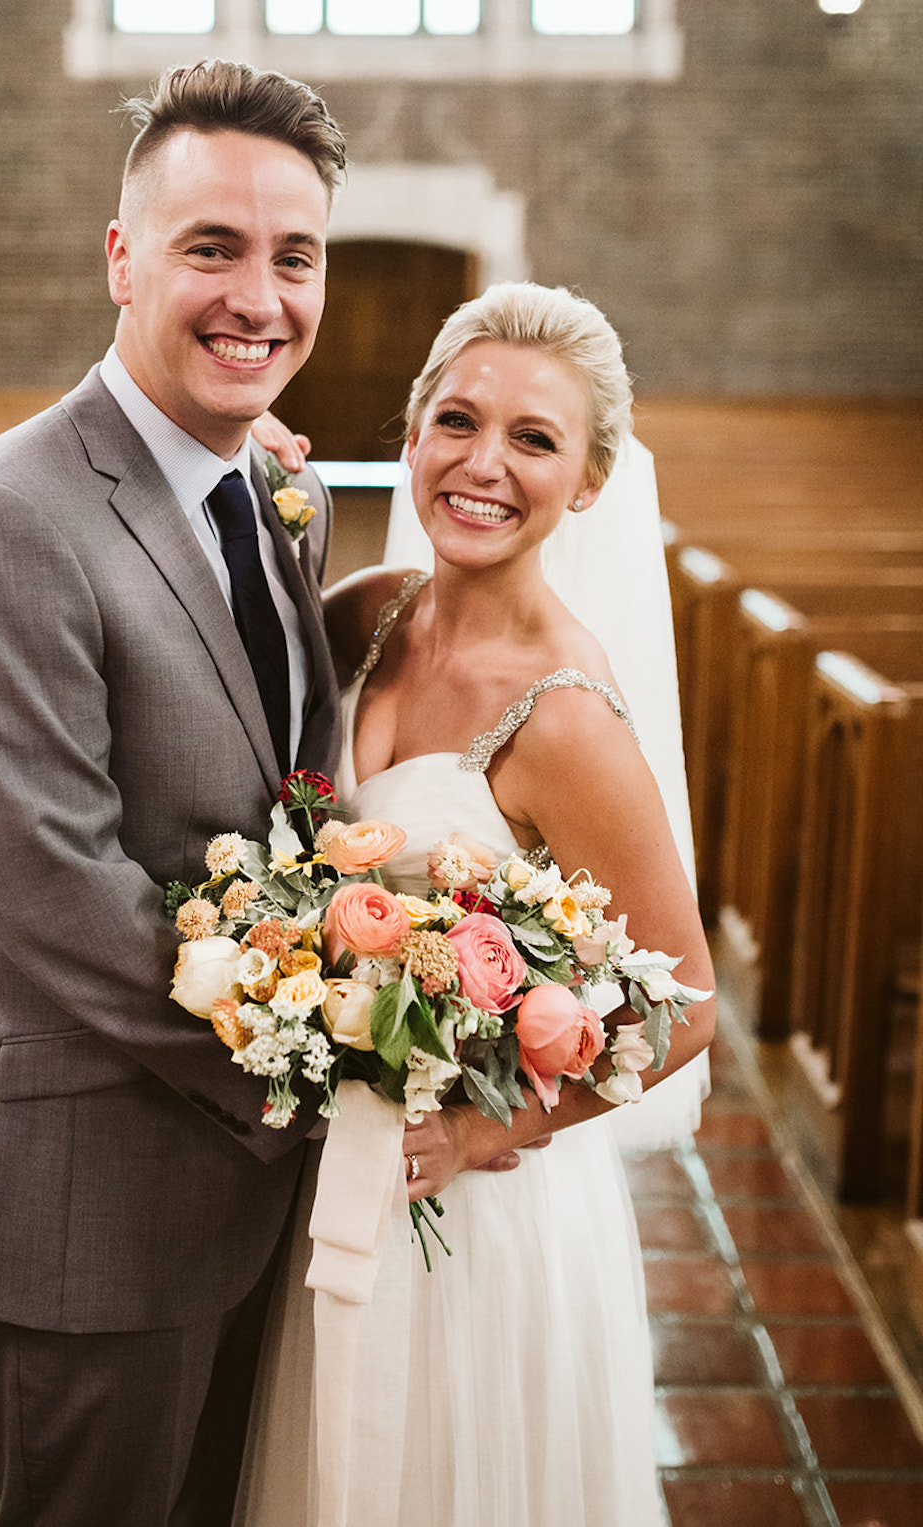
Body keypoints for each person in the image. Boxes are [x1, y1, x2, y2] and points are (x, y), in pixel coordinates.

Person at [0, 60, 347, 1527]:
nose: (258, 297)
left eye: (296, 255)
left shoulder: (278, 486)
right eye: (212, 246)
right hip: (87, 1194)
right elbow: (56, 889)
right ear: (121, 256)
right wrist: (309, 1076)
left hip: (245, 1198)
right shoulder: (2, 517)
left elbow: (288, 771)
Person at [234, 281, 716, 1527]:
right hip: (321, 1162)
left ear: (593, 480)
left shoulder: (567, 716)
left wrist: (483, 1132)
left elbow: (691, 1001)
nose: (482, 463)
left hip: (467, 1207)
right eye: (457, 420)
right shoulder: (360, 615)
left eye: (535, 438)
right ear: (410, 436)